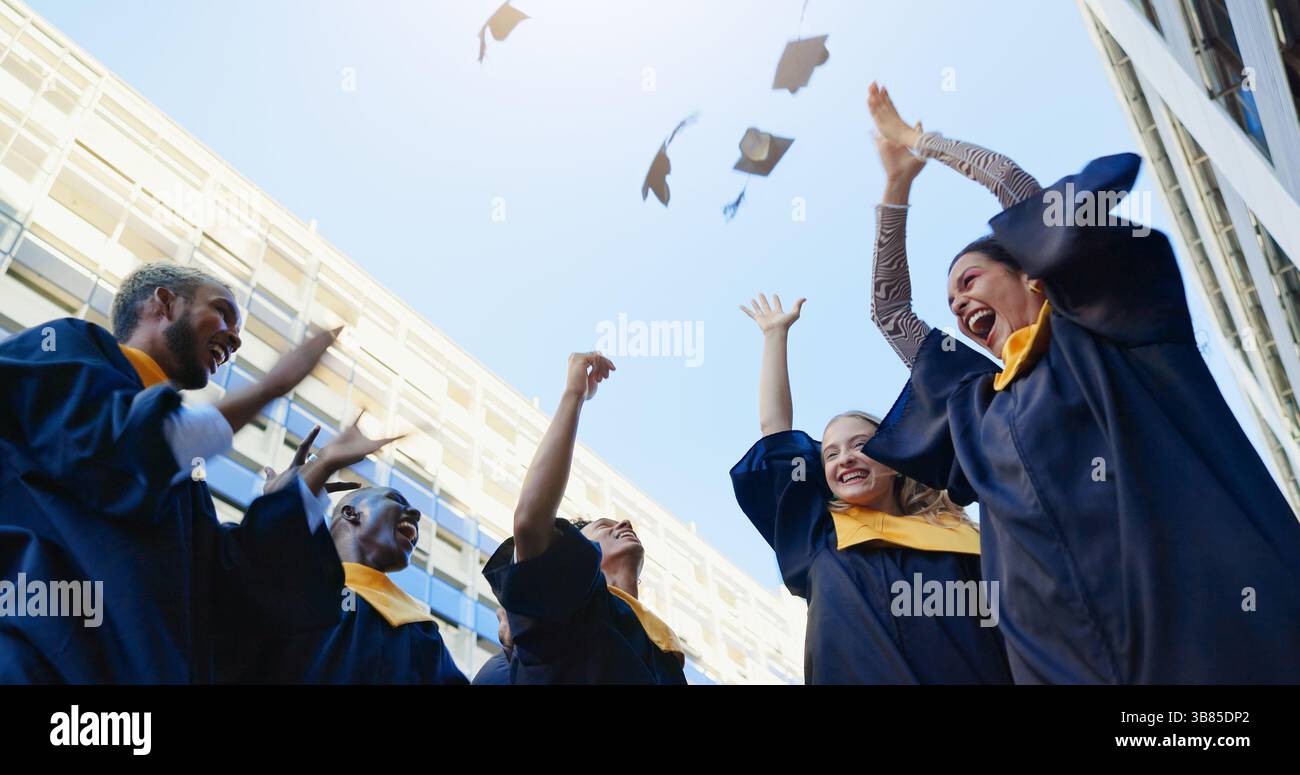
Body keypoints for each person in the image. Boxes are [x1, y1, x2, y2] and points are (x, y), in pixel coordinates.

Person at [862, 82, 1300, 683]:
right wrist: (894, 188)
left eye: (970, 280)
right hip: (1066, 660)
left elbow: (1018, 192)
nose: (959, 305)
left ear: (1035, 277)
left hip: (1196, 630)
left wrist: (919, 144)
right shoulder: (977, 409)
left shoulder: (1098, 331)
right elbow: (890, 313)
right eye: (951, 301)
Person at [0, 262, 391, 683]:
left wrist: (307, 484)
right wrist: (269, 388)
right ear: (164, 303)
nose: (236, 338)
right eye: (222, 312)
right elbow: (115, 452)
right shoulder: (64, 345)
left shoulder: (184, 483)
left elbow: (232, 594)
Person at [730, 294, 1010, 684]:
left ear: (895, 461)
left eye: (859, 446)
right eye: (829, 455)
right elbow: (776, 433)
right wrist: (776, 335)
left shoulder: (965, 542)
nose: (844, 458)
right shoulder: (820, 536)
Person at [480, 352, 687, 684]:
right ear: (570, 555)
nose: (626, 524)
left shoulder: (660, 651)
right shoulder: (571, 610)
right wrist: (573, 396)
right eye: (604, 526)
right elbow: (531, 522)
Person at [221, 476, 467, 684]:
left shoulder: (420, 631)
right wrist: (282, 511)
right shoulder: (285, 581)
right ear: (351, 513)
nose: (416, 513)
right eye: (395, 500)